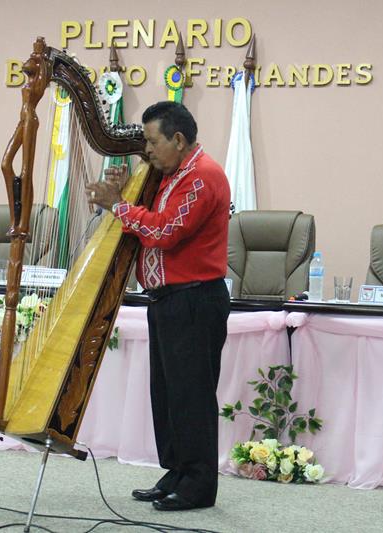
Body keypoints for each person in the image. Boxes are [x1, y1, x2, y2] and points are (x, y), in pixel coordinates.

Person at [87, 101, 231, 511]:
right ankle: (179, 470)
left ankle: (199, 484)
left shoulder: (203, 177)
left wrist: (117, 205)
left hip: (195, 299)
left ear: (178, 139)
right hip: (168, 300)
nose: (146, 150)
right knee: (168, 393)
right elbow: (149, 215)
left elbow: (165, 231)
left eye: (152, 142)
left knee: (192, 395)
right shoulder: (170, 174)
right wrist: (122, 194)